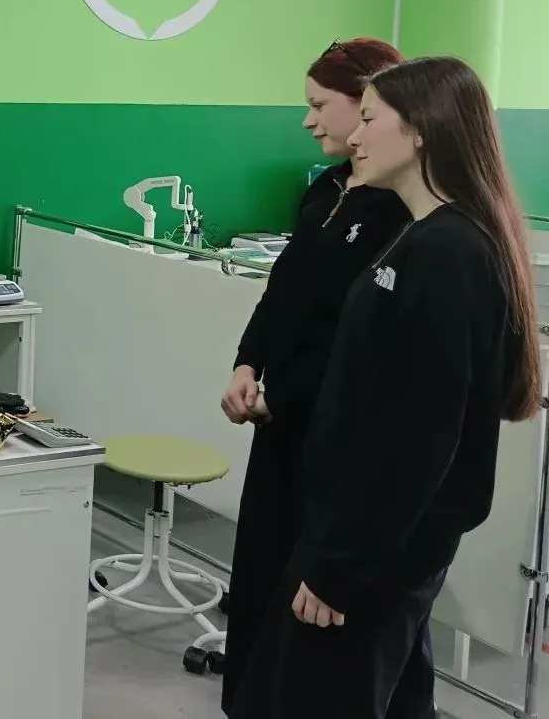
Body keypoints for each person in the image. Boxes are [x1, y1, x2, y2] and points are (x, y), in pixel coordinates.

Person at [229, 55, 541, 719]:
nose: (355, 135)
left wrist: (339, 567)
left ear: (421, 130)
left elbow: (415, 438)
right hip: (355, 533)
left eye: (369, 118)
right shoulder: (423, 239)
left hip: (374, 550)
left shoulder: (449, 252)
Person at [219, 38, 407, 713]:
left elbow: (361, 346)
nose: (309, 120)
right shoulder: (326, 190)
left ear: (371, 104)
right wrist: (248, 362)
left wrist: (288, 397)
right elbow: (285, 291)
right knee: (261, 577)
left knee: (315, 614)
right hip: (280, 427)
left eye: (320, 105)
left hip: (335, 437)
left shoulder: (403, 213)